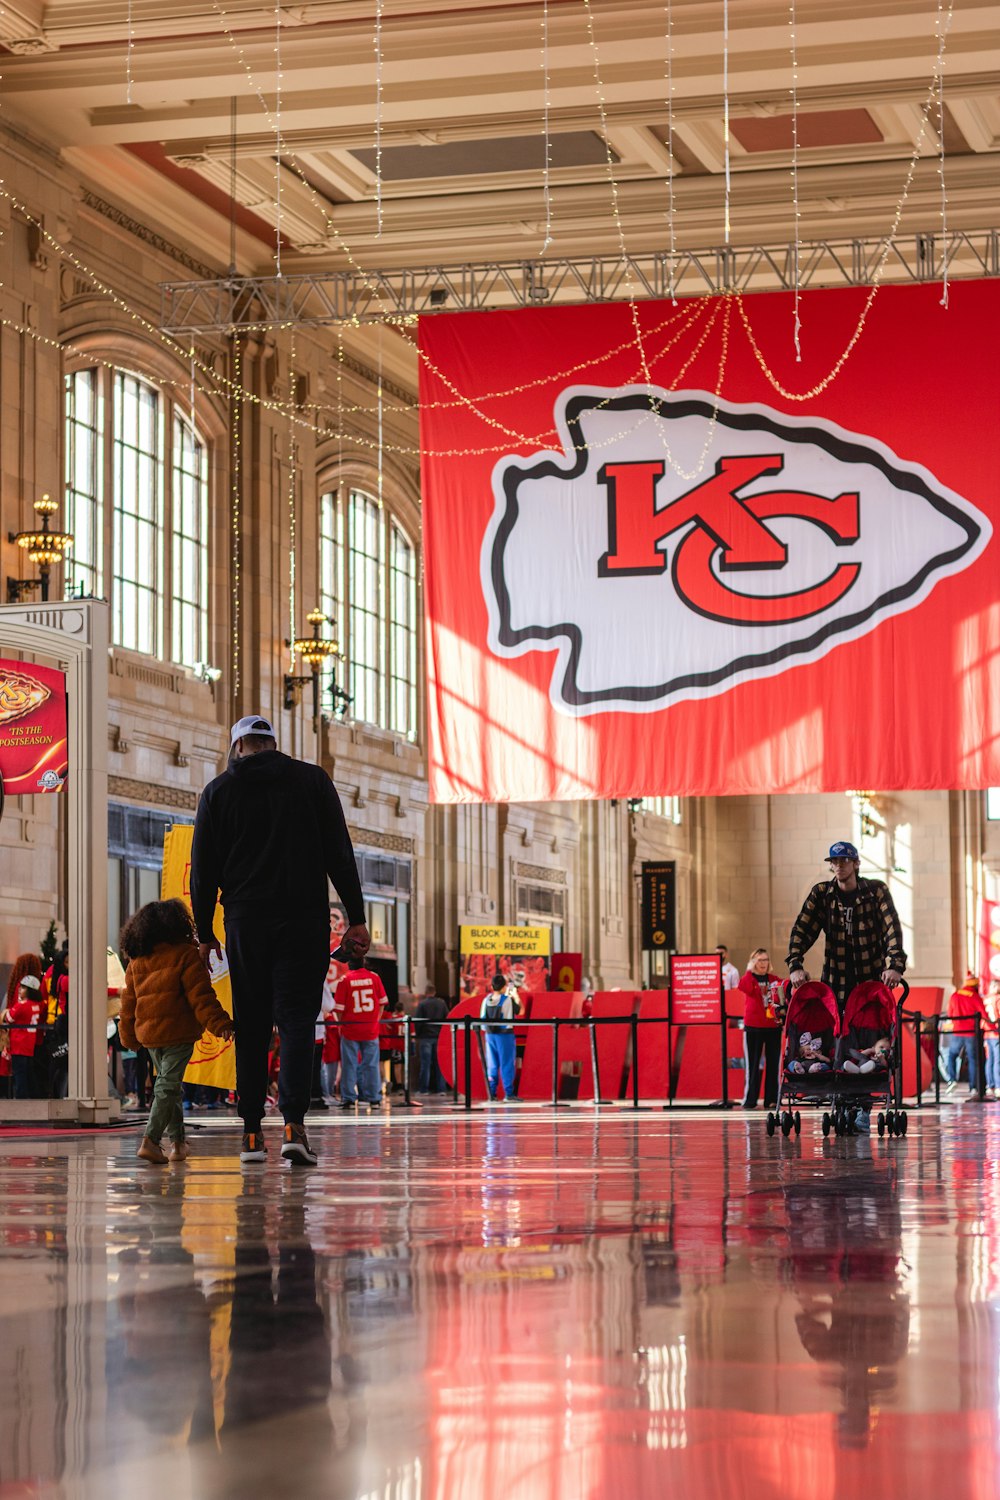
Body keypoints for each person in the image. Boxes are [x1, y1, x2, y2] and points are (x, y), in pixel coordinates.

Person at [190, 714, 370, 1167]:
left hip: (246, 922)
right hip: (304, 920)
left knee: (251, 1025)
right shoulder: (312, 781)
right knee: (295, 1022)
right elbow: (339, 853)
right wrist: (356, 918)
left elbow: (204, 869)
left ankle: (251, 1134)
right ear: (273, 744)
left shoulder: (218, 792)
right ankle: (293, 1126)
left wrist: (205, 932)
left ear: (237, 748)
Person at [118, 898, 234, 1165]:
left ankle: (179, 1144)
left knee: (168, 1087)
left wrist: (129, 1037)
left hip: (150, 1036)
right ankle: (151, 1140)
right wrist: (221, 1024)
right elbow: (201, 997)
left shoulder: (137, 960)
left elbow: (128, 1004)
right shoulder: (185, 954)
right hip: (179, 1033)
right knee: (167, 1087)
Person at [787, 841, 906, 1010]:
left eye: (844, 860)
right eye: (834, 861)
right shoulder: (822, 894)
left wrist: (896, 966)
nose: (839, 865)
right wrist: (795, 966)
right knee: (835, 1035)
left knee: (874, 1035)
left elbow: (892, 929)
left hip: (871, 981)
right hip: (835, 983)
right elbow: (801, 930)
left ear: (856, 863)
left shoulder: (876, 891)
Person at [332, 946, 386, 1109]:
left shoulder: (345, 980)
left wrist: (343, 1025)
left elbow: (339, 1009)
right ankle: (374, 1098)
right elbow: (382, 1003)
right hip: (370, 1029)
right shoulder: (374, 978)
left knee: (349, 1065)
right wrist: (375, 1019)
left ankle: (348, 1098)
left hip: (350, 1030)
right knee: (371, 1064)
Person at [737, 948, 783, 1109]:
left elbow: (783, 990)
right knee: (753, 1064)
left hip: (772, 1026)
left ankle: (771, 1099)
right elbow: (744, 987)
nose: (763, 963)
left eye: (765, 960)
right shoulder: (748, 979)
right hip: (753, 1026)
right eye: (759, 960)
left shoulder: (774, 979)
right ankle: (750, 1099)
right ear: (753, 962)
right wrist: (750, 970)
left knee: (773, 1064)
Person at [942, 971, 990, 1096]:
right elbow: (983, 1014)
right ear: (975, 986)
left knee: (952, 1056)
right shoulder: (975, 997)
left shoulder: (955, 995)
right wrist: (993, 1027)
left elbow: (950, 1014)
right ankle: (973, 1087)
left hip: (957, 1031)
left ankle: (952, 1079)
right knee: (973, 1060)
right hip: (971, 1033)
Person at [2, 974, 45, 1099]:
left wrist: (6, 1012)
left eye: (23, 988)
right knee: (28, 1073)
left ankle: (21, 1098)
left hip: (18, 1044)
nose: (20, 990)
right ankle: (33, 1096)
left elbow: (9, 1018)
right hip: (29, 1045)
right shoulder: (37, 1005)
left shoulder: (22, 1005)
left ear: (30, 990)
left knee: (19, 1073)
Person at [480, 974, 520, 1102]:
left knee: (492, 1064)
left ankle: (492, 1093)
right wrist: (515, 995)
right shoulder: (507, 1000)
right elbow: (519, 1010)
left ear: (491, 986)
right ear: (504, 987)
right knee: (507, 1063)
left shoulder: (486, 1000)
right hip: (505, 1034)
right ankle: (509, 1093)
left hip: (489, 1035)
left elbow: (482, 1018)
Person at [415, 982, 448, 1094]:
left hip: (426, 1037)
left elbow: (418, 1022)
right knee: (440, 1064)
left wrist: (418, 1035)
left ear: (425, 992)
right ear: (434, 992)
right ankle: (441, 1089)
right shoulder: (441, 1004)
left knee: (425, 1064)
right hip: (439, 1037)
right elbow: (447, 1018)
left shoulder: (422, 1004)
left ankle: (424, 1089)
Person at [985, 979, 1000, 1100]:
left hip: (986, 1033)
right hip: (996, 1033)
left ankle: (990, 1085)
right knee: (997, 1060)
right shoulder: (998, 999)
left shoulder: (985, 999)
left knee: (989, 1060)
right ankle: (999, 1086)